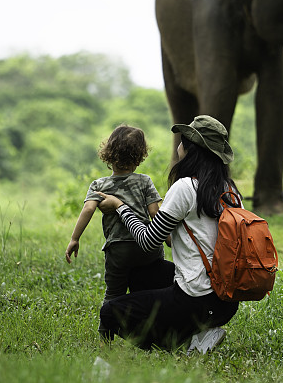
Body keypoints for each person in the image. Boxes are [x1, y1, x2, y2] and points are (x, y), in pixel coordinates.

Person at [95, 115, 241, 353]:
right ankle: (200, 330)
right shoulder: (230, 191)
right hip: (226, 300)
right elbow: (183, 240)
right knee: (141, 274)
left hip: (196, 300)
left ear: (191, 150)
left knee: (111, 312)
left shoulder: (185, 187)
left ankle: (184, 341)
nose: (179, 147)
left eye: (182, 142)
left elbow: (147, 241)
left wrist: (121, 207)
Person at [65, 124, 174, 335]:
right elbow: (155, 213)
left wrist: (74, 238)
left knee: (113, 294)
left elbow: (88, 208)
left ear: (108, 153)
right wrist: (168, 238)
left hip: (118, 250)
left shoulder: (100, 185)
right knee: (147, 292)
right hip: (148, 248)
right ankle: (149, 331)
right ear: (140, 156)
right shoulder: (144, 182)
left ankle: (105, 338)